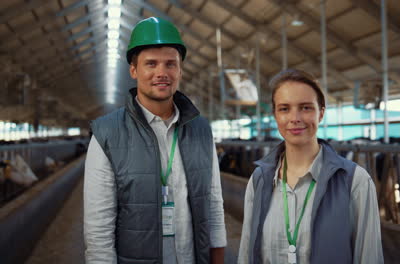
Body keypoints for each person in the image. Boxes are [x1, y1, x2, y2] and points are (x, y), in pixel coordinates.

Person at [83, 17, 226, 264]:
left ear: (180, 70)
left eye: (171, 64)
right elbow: (98, 230)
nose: (162, 73)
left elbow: (213, 204)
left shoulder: (201, 130)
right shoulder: (107, 135)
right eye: (151, 64)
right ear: (134, 70)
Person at [238, 69, 383, 264]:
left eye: (306, 108)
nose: (295, 118)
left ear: (321, 113)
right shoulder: (259, 180)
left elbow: (369, 258)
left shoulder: (355, 181)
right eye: (284, 109)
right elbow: (246, 253)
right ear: (275, 115)